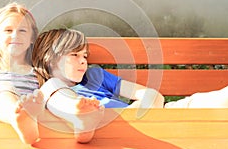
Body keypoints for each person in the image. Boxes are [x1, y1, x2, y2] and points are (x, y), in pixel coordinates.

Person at [0, 2, 103, 144]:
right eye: (8, 30)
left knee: (53, 85)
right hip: (2, 129)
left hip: (40, 126)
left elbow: (62, 86)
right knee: (2, 92)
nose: (15, 35)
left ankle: (78, 116)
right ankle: (18, 116)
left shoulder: (39, 68)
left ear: (32, 38)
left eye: (22, 30)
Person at [32, 28, 165, 112]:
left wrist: (132, 113)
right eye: (74, 55)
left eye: (85, 55)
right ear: (49, 59)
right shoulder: (54, 96)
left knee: (186, 106)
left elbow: (152, 95)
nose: (84, 61)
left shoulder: (94, 75)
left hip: (152, 116)